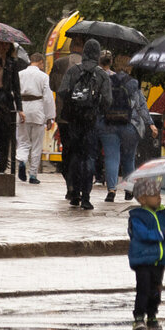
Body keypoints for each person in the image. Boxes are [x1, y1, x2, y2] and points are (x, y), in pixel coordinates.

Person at [56, 39, 112, 210]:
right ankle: (86, 197)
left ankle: (74, 193)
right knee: (89, 157)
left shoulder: (73, 70)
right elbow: (108, 100)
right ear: (97, 54)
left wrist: (74, 104)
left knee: (74, 155)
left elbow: (62, 91)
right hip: (91, 121)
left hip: (74, 121)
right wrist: (96, 109)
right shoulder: (102, 74)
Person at [127, 176, 165, 330]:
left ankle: (152, 315)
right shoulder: (137, 216)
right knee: (144, 288)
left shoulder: (163, 213)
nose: (159, 197)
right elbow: (141, 234)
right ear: (143, 199)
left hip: (160, 260)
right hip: (143, 260)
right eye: (155, 195)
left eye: (159, 194)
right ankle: (139, 317)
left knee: (156, 290)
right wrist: (162, 233)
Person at [98, 53, 152, 203]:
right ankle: (129, 190)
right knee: (129, 158)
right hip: (130, 125)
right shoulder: (133, 83)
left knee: (111, 157)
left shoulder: (107, 81)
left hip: (108, 124)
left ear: (115, 65)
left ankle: (111, 190)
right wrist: (150, 123)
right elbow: (141, 106)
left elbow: (101, 103)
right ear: (129, 67)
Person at [15, 50, 53, 184]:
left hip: (22, 110)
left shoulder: (20, 74)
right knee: (36, 145)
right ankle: (33, 175)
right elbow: (48, 98)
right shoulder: (43, 77)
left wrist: (17, 110)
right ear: (41, 62)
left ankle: (22, 160)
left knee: (23, 141)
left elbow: (14, 93)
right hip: (38, 110)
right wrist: (50, 117)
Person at [0, 40, 17, 177]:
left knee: (4, 136)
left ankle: (2, 168)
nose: (4, 47)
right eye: (1, 44)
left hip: (5, 102)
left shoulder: (11, 64)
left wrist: (19, 109)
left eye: (6, 45)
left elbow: (16, 87)